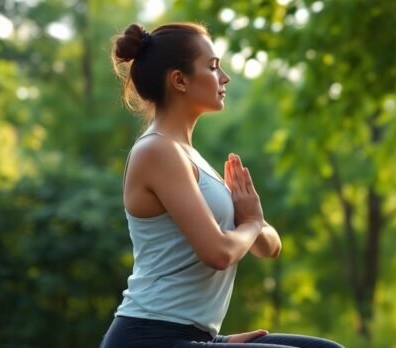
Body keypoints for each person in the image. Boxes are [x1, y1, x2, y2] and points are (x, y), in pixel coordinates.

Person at [99, 23, 343, 348]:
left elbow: (269, 246)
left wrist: (254, 224)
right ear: (179, 80)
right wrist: (253, 223)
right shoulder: (157, 151)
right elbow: (219, 252)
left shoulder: (191, 158)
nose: (225, 77)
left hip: (194, 336)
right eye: (213, 67)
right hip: (149, 337)